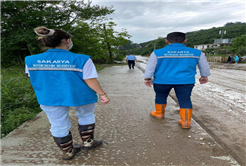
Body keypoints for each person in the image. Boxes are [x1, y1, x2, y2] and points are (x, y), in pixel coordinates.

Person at [25, 26, 110, 160]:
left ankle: (68, 151)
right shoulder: (82, 59)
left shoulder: (30, 60)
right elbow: (90, 80)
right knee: (86, 115)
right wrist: (102, 94)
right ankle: (88, 143)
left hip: (49, 97)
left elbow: (33, 77)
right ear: (67, 40)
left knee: (58, 123)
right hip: (81, 95)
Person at [143, 32, 210, 129]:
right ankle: (186, 122)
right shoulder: (196, 53)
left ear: (166, 41)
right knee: (185, 99)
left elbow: (150, 67)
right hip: (186, 81)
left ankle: (159, 114)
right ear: (185, 40)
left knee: (160, 96)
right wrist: (204, 76)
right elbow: (204, 67)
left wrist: (147, 78)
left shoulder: (157, 53)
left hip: (162, 81)